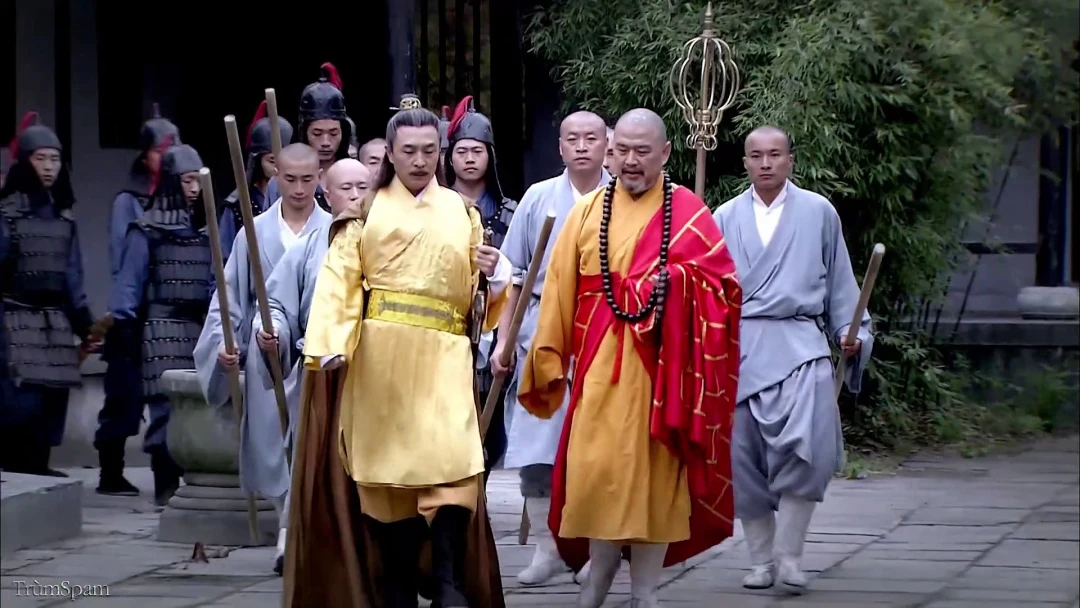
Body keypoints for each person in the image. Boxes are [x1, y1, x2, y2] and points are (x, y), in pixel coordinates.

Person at [283, 101, 510, 608]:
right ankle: (397, 584)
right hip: (381, 357)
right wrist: (331, 344)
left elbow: (480, 299)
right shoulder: (365, 211)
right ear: (390, 152)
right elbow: (341, 280)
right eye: (409, 151)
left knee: (455, 465)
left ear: (441, 151)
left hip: (446, 356)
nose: (420, 160)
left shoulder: (463, 213)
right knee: (388, 479)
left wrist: (495, 275)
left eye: (430, 150)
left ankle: (449, 580)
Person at [518, 108, 742, 608]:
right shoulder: (587, 212)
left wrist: (679, 286)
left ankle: (646, 591)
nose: (631, 161)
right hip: (598, 364)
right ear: (610, 152)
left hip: (663, 370)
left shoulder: (689, 213)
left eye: (643, 151)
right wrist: (548, 359)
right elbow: (558, 289)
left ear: (665, 153)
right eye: (622, 150)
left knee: (653, 479)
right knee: (595, 470)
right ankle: (599, 571)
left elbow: (724, 289)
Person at [713, 125, 874, 595]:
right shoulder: (723, 216)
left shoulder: (818, 211)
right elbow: (708, 291)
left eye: (775, 154)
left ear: (790, 159)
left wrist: (850, 332)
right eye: (756, 155)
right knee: (743, 458)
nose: (765, 163)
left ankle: (789, 556)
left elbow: (841, 282)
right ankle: (760, 560)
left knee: (809, 452)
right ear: (745, 162)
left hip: (801, 345)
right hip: (741, 348)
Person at [194, 143, 332, 574]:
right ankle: (286, 525)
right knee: (272, 445)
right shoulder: (251, 233)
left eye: (307, 179)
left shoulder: (335, 231)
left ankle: (292, 535)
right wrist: (224, 343)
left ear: (320, 178)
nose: (299, 189)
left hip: (315, 354)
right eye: (289, 179)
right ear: (276, 177)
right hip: (264, 354)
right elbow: (229, 296)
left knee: (309, 446)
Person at [492, 110, 612, 586]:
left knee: (600, 448)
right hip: (543, 330)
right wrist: (503, 340)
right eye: (572, 138)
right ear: (560, 147)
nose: (582, 146)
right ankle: (548, 549)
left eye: (591, 138)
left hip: (603, 328)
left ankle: (594, 550)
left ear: (607, 145)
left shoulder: (624, 198)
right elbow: (513, 277)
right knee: (538, 443)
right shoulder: (538, 198)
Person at [253, 158, 369, 575]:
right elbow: (277, 303)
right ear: (327, 192)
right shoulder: (311, 244)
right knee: (313, 460)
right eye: (345, 188)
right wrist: (273, 332)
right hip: (322, 371)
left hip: (375, 371)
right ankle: (295, 539)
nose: (354, 196)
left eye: (362, 187)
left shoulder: (388, 238)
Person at [108, 141, 212, 506]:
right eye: (186, 180)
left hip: (200, 329)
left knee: (202, 407)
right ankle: (165, 484)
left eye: (198, 180)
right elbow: (129, 284)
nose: (194, 188)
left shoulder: (208, 230)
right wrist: (124, 328)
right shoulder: (146, 230)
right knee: (166, 410)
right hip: (161, 327)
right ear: (170, 181)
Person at [1, 112, 97, 477]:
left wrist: (85, 325)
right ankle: (14, 469)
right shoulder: (6, 215)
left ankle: (40, 466)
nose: (48, 167)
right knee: (20, 399)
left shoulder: (64, 219)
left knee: (52, 396)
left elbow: (72, 277)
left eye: (54, 159)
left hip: (54, 320)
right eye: (40, 158)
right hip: (13, 315)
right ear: (25, 161)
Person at [95, 104, 181, 496]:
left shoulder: (184, 201)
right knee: (124, 399)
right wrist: (126, 314)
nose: (165, 157)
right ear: (145, 156)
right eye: (159, 151)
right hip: (133, 312)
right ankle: (110, 472)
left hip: (167, 313)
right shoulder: (128, 202)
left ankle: (168, 473)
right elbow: (123, 262)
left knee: (168, 399)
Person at [443, 95, 518, 475]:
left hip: (493, 325)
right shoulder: (436, 209)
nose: (469, 159)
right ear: (449, 158)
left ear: (490, 156)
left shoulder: (510, 212)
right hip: (449, 324)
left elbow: (520, 275)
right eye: (461, 152)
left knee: (491, 433)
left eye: (477, 151)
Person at [218, 100, 294, 264]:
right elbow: (225, 259)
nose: (278, 168)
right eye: (272, 161)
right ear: (258, 160)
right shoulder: (237, 206)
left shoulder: (302, 198)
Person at [288, 62, 351, 212]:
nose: (326, 142)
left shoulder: (354, 173)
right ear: (304, 133)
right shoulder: (284, 179)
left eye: (333, 133)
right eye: (317, 134)